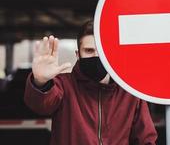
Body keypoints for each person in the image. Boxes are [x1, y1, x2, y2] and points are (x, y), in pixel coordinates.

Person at [24, 20, 157, 145]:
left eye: (101, 50)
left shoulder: (129, 92)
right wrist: (41, 82)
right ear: (78, 54)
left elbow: (146, 139)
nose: (96, 56)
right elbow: (41, 105)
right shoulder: (64, 86)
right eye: (89, 50)